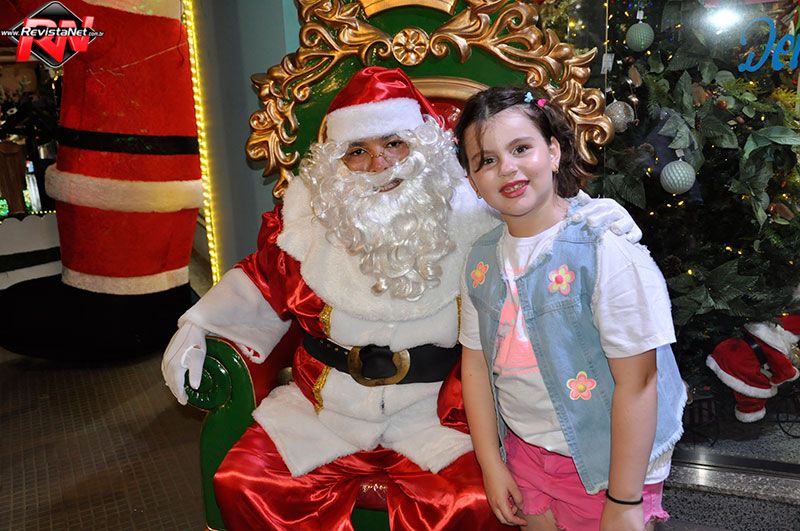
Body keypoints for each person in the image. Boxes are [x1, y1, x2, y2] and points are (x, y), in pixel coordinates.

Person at [161, 68, 641, 530]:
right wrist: (200, 324)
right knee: (242, 482)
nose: (380, 165)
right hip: (322, 413)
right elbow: (261, 281)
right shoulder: (305, 227)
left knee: (472, 505)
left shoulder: (475, 213)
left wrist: (587, 216)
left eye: (394, 143)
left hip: (438, 417)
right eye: (358, 151)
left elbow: (531, 208)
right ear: (335, 164)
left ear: (424, 146)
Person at [455, 86, 687, 531]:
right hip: (525, 453)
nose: (507, 168)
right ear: (472, 181)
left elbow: (639, 383)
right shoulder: (481, 259)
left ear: (554, 151)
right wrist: (491, 462)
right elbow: (477, 365)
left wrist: (624, 500)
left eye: (521, 148)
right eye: (486, 160)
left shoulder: (604, 249)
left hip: (608, 461)